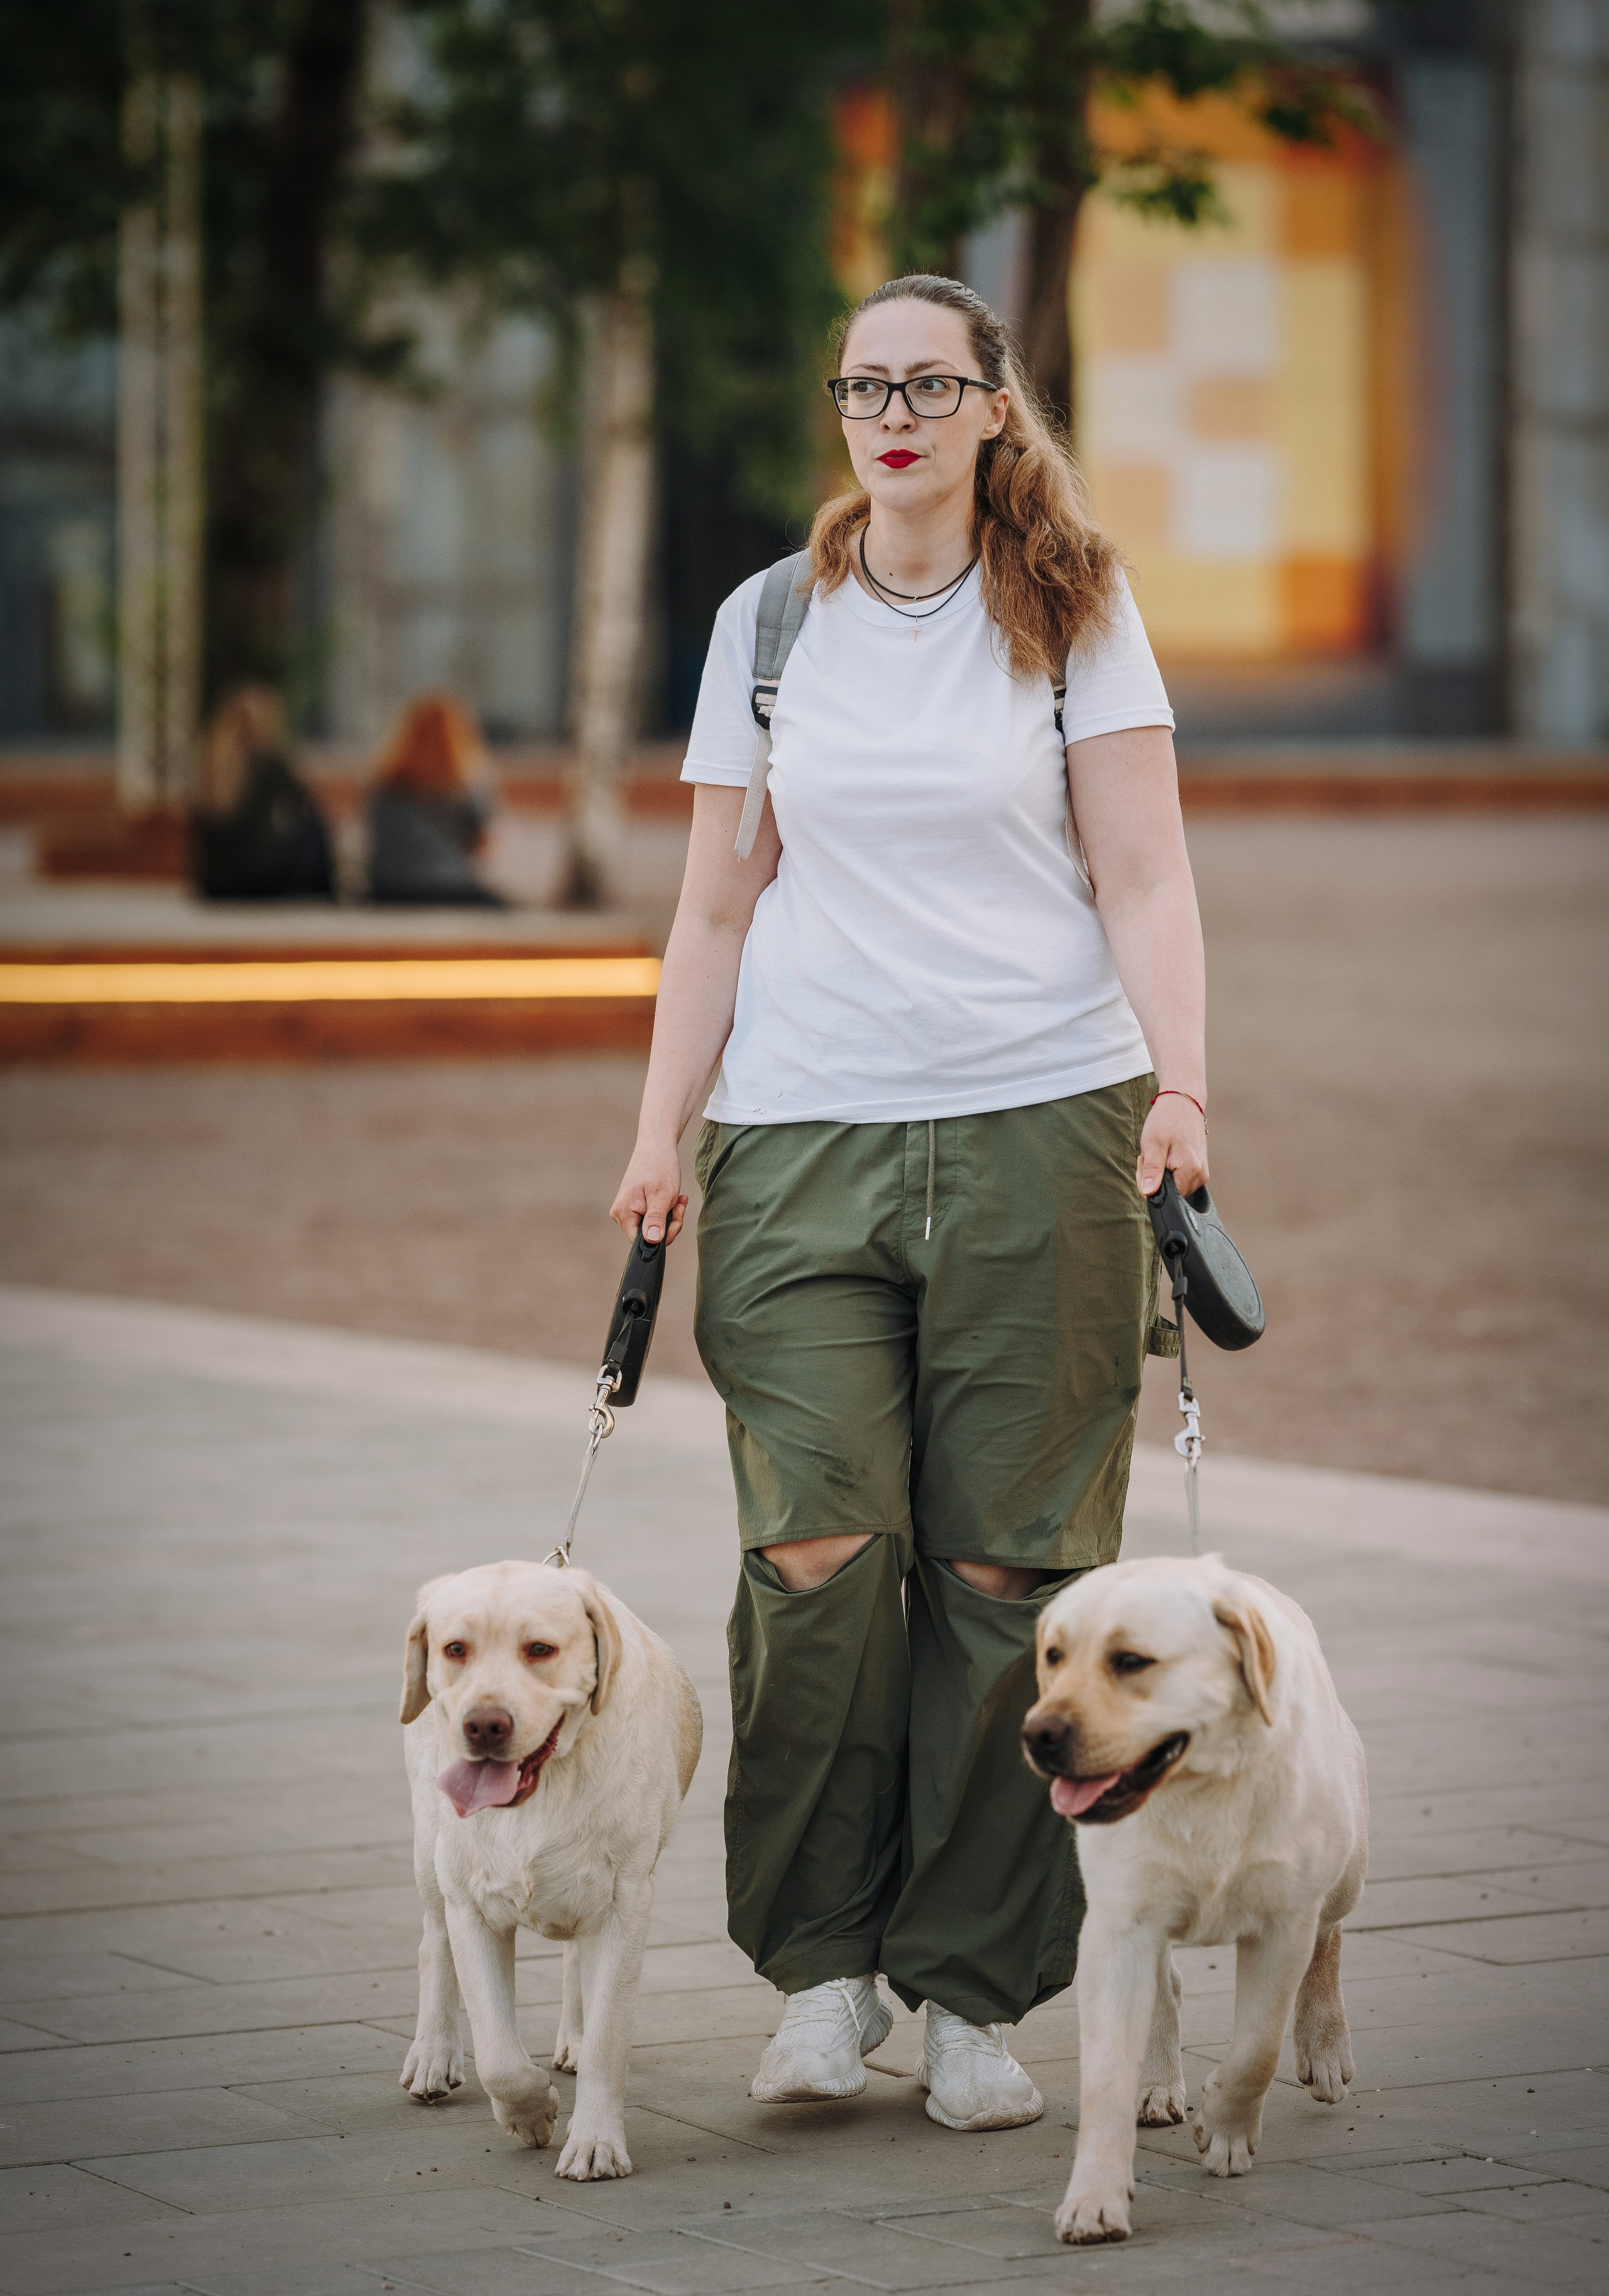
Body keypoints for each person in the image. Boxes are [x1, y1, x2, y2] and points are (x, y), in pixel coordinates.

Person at [610, 274, 1209, 2133]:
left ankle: (971, 1989)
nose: (892, 411)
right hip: (798, 1136)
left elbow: (1144, 870)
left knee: (1007, 1569)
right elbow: (713, 905)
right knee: (811, 1553)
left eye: (928, 382)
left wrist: (1182, 1083)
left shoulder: (1076, 612)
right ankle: (821, 1967)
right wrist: (656, 1133)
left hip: (1046, 1122)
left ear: (991, 404)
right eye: (864, 382)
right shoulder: (771, 622)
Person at [190, 685, 336, 901]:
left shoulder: (209, 766)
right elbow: (307, 804)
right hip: (258, 880)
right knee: (313, 830)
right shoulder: (268, 765)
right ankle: (325, 898)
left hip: (214, 882)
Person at [366, 691, 505, 905]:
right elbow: (484, 845)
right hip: (450, 888)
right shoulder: (465, 788)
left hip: (388, 889)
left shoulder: (384, 785)